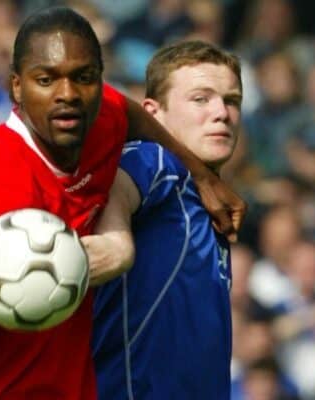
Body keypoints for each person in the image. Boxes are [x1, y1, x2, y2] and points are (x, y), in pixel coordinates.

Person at [0, 8, 245, 400]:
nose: (67, 94)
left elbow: (126, 111)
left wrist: (202, 176)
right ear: (16, 87)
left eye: (84, 78)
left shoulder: (98, 120)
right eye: (45, 80)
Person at [88, 40, 243, 398]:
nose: (221, 112)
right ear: (153, 114)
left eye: (231, 100)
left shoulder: (211, 206)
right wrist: (115, 241)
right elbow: (117, 191)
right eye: (201, 99)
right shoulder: (155, 162)